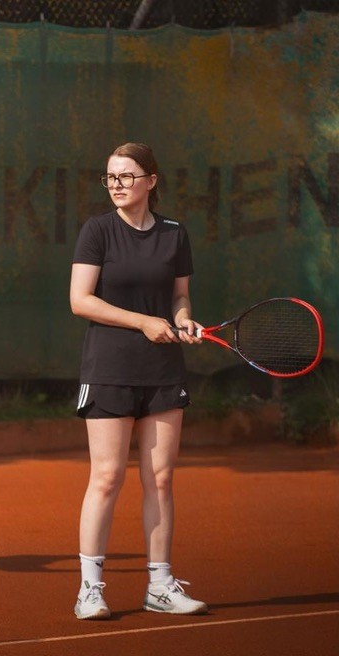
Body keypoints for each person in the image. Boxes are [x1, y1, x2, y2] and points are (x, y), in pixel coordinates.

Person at [68, 142, 207, 620]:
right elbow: (81, 300)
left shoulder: (174, 234)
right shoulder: (97, 231)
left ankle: (160, 586)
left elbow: (180, 296)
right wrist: (143, 322)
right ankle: (90, 589)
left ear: (151, 181)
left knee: (161, 480)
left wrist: (182, 320)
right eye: (110, 177)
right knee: (107, 477)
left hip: (163, 372)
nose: (117, 184)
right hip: (109, 369)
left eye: (126, 176)